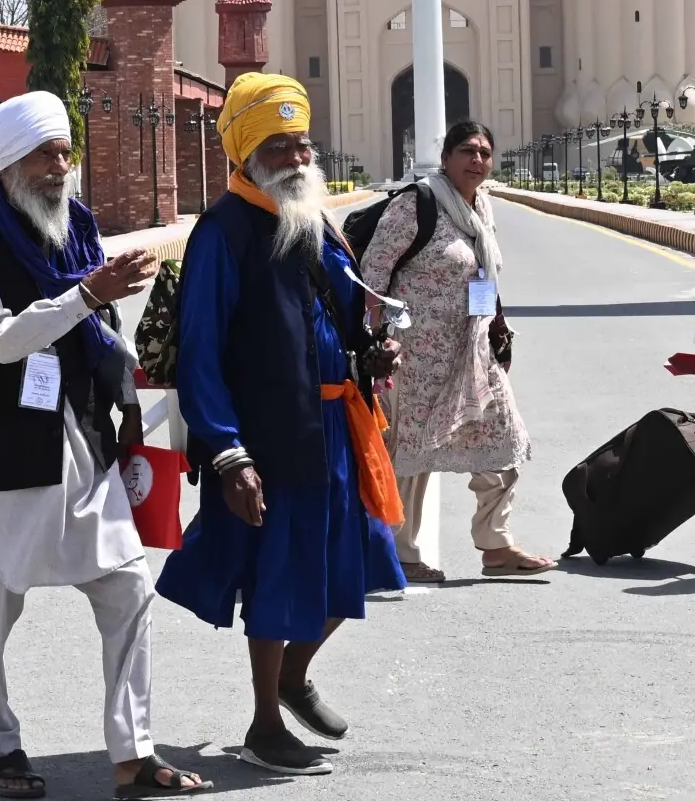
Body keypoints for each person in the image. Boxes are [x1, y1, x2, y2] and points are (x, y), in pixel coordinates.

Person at [0, 91, 207, 799]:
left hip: (84, 441)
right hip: (9, 447)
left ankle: (133, 755)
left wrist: (126, 396)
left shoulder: (77, 224)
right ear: (8, 165)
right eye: (45, 154)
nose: (61, 165)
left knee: (127, 589)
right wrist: (85, 296)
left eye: (65, 151)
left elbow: (101, 334)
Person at [156, 72, 406, 776]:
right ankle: (266, 722)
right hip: (271, 436)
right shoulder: (222, 232)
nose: (297, 157)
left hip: (339, 429)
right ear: (244, 150)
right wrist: (230, 453)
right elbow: (200, 355)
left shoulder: (314, 220)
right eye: (279, 144)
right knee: (281, 578)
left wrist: (368, 350)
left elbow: (342, 313)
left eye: (302, 144)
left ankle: (295, 678)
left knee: (359, 562)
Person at [359, 121, 545, 583]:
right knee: (412, 453)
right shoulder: (417, 203)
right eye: (467, 150)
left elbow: (483, 275)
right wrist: (379, 338)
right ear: (446, 158)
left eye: (484, 151)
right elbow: (374, 270)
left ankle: (496, 544)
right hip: (416, 354)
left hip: (473, 352)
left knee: (503, 439)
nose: (477, 160)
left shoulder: (481, 207)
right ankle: (400, 553)